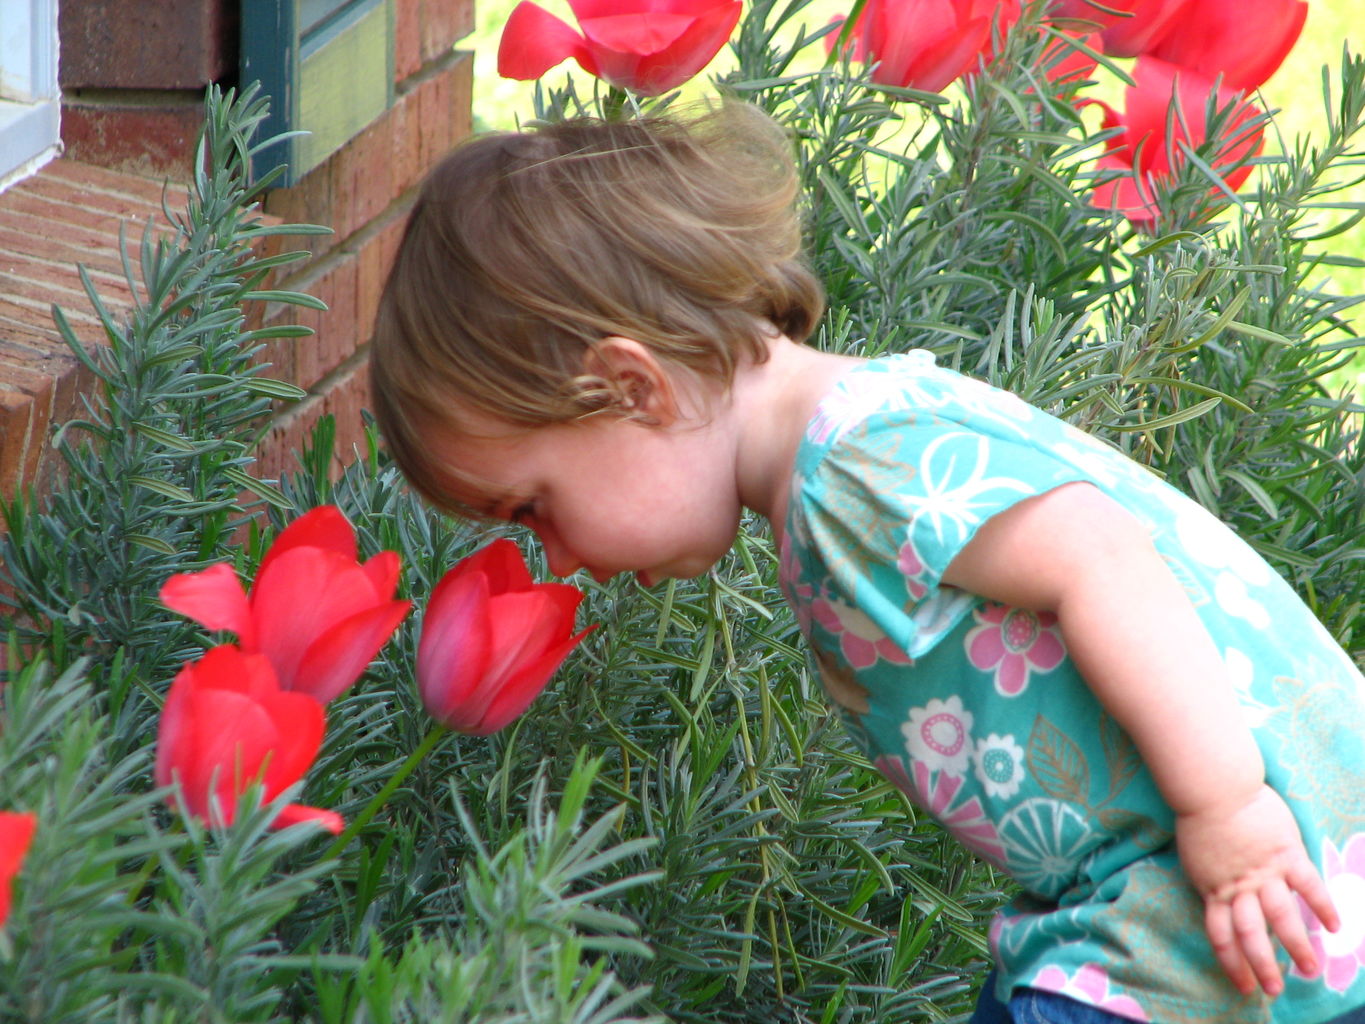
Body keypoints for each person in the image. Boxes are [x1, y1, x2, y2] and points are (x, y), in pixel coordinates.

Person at [368, 102, 1365, 1024]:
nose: (559, 556)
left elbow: (1101, 555)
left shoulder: (851, 469)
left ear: (635, 388)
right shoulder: (858, 437)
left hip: (1206, 897)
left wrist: (1225, 811)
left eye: (536, 506)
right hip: (1205, 883)